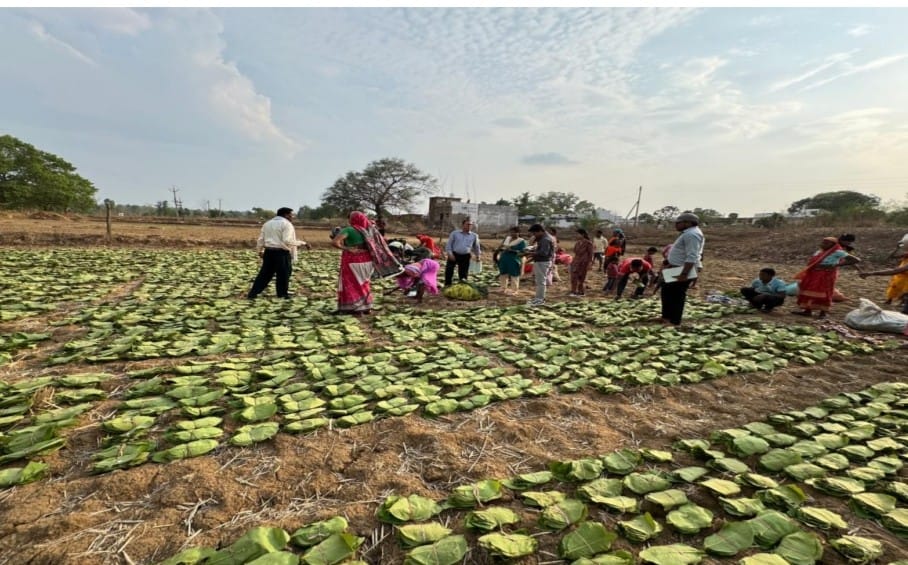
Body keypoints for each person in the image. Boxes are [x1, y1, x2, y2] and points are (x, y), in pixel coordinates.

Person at [247, 207, 308, 300]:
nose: (293, 217)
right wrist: (303, 243)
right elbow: (287, 240)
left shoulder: (267, 223)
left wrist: (260, 251)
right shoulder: (287, 224)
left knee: (264, 274)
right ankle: (282, 294)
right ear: (286, 215)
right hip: (281, 253)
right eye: (292, 215)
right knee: (283, 274)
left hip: (269, 252)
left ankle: (253, 293)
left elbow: (260, 239)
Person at [791, 236, 860, 319]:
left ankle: (823, 312)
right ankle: (807, 310)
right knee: (809, 291)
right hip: (814, 273)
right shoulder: (819, 252)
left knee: (825, 292)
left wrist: (835, 265)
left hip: (826, 274)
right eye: (823, 242)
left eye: (826, 243)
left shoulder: (838, 252)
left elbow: (855, 260)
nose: (823, 244)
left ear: (833, 245)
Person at [660, 212, 705, 325]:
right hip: (676, 267)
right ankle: (666, 317)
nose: (676, 225)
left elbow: (692, 256)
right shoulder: (688, 233)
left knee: (677, 295)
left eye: (678, 223)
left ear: (688, 223)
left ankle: (674, 321)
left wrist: (684, 274)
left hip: (683, 269)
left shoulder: (692, 235)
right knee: (666, 291)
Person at [331, 211, 378, 316]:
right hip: (368, 260)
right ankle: (367, 307)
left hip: (353, 260)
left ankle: (356, 309)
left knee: (352, 284)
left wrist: (347, 248)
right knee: (364, 283)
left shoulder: (349, 229)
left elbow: (334, 242)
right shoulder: (370, 230)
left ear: (352, 220)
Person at [443, 219, 481, 286]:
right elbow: (449, 245)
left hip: (466, 255)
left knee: (463, 272)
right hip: (454, 254)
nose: (469, 226)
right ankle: (447, 285)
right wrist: (450, 254)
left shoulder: (474, 235)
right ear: (463, 225)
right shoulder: (455, 233)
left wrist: (478, 255)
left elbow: (476, 247)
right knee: (449, 270)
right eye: (467, 224)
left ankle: (462, 286)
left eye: (470, 225)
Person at [526, 224, 554, 306]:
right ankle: (538, 298)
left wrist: (529, 253)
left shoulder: (545, 239)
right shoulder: (543, 238)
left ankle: (540, 299)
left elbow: (543, 253)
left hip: (542, 262)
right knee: (539, 281)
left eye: (535, 233)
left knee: (541, 282)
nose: (534, 235)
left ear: (540, 231)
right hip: (541, 261)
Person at [496, 226, 527, 294]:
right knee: (503, 273)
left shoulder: (521, 241)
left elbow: (523, 252)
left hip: (514, 258)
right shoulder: (507, 238)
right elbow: (502, 246)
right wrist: (499, 249)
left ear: (518, 233)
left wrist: (512, 250)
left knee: (514, 274)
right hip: (504, 257)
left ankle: (514, 290)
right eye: (511, 232)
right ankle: (503, 287)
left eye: (514, 232)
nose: (512, 233)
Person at [569, 228, 594, 297]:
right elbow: (575, 252)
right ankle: (574, 291)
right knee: (574, 277)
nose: (576, 235)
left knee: (581, 277)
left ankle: (580, 291)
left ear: (582, 234)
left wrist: (589, 263)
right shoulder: (577, 243)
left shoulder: (588, 243)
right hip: (576, 262)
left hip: (583, 263)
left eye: (577, 234)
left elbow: (591, 254)